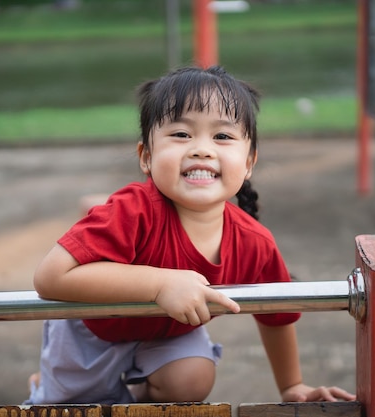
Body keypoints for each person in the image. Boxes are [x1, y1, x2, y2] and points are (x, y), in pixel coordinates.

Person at [25, 65, 356, 405]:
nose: (202, 149)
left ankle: (138, 390)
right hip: (95, 326)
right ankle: (45, 382)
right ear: (147, 157)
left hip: (167, 332)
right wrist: (160, 284)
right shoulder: (131, 210)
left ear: (249, 162)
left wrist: (292, 386)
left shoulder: (253, 241)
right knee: (74, 406)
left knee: (192, 380)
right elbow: (50, 277)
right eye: (181, 134)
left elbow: (277, 313)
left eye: (222, 136)